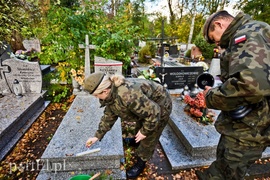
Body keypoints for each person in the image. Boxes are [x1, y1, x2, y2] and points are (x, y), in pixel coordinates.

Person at [195, 10, 270, 179]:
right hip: (245, 121)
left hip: (252, 125)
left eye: (215, 39)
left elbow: (250, 86)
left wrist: (211, 97)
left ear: (219, 24)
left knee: (231, 169)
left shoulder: (248, 33)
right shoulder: (253, 30)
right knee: (225, 158)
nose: (218, 44)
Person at [83, 72, 172, 179]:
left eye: (96, 95)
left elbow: (154, 112)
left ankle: (141, 161)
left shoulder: (127, 95)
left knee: (149, 136)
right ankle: (136, 141)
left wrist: (145, 131)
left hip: (160, 106)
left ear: (105, 91)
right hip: (146, 106)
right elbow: (109, 116)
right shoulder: (111, 94)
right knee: (139, 128)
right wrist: (97, 136)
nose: (96, 97)